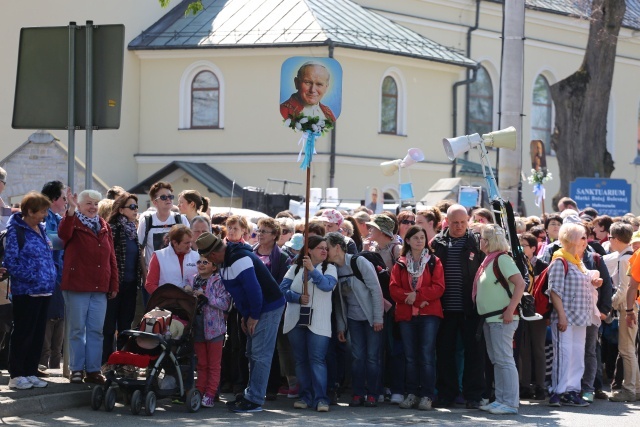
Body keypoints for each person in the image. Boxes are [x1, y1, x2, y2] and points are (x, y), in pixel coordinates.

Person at [196, 232, 285, 413]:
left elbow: (254, 290)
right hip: (257, 308)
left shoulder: (239, 258)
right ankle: (250, 394)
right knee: (251, 352)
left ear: (212, 255)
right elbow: (240, 294)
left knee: (260, 354)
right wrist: (246, 316)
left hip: (268, 306)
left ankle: (255, 400)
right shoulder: (227, 260)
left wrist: (253, 315)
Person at [59, 188, 118, 385]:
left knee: (96, 331)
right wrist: (71, 210)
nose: (93, 207)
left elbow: (111, 257)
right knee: (77, 329)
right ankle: (76, 369)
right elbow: (63, 234)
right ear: (80, 205)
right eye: (88, 203)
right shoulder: (72, 221)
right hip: (77, 285)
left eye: (95, 204)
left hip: (100, 287)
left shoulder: (104, 226)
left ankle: (93, 370)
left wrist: (113, 283)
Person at [430, 204, 485, 409]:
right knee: (445, 353)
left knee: (474, 353)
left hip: (470, 308)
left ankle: (473, 396)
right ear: (447, 222)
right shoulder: (437, 243)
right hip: (444, 308)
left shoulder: (477, 242)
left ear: (468, 221)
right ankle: (446, 394)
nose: (459, 226)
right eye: (455, 223)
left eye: (463, 222)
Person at [3, 192, 57, 390]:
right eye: (42, 211)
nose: (45, 215)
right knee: (23, 333)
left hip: (44, 290)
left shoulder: (41, 229)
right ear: (30, 211)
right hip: (26, 291)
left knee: (37, 334)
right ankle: (16, 375)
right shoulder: (16, 231)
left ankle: (30, 371)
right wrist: (33, 276)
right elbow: (11, 262)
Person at [389, 226, 445, 411]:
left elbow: (439, 287)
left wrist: (418, 296)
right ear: (408, 241)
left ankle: (427, 395)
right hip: (406, 315)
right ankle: (411, 393)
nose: (419, 241)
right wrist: (410, 298)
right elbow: (393, 288)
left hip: (429, 315)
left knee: (427, 356)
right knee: (410, 357)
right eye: (415, 238)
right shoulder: (400, 263)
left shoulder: (433, 261)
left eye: (422, 237)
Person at [327, 231, 384, 408]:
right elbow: (339, 302)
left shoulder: (359, 262)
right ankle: (358, 394)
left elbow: (376, 290)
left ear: (337, 247)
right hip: (353, 319)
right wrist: (341, 327)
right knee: (357, 357)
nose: (324, 251)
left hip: (370, 318)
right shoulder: (334, 270)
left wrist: (377, 318)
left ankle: (373, 394)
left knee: (372, 357)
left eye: (327, 248)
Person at [547, 223, 601, 407]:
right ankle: (558, 391)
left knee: (577, 354)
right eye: (583, 237)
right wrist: (561, 315)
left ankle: (572, 390)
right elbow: (554, 290)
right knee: (564, 354)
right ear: (571, 240)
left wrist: (593, 281)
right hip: (566, 317)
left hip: (580, 317)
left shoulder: (577, 261)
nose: (586, 241)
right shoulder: (560, 260)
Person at [281, 236, 338, 412]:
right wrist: (297, 298)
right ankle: (305, 396)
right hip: (296, 319)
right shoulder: (295, 268)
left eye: (325, 248)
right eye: (320, 248)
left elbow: (327, 286)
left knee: (317, 360)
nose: (324, 251)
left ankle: (321, 398)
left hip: (319, 320)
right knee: (301, 360)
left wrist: (312, 270)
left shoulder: (330, 268)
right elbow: (282, 290)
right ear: (310, 250)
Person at [474, 225, 526, 415]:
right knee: (498, 359)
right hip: (492, 318)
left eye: (481, 238)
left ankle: (510, 402)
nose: (479, 241)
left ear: (488, 241)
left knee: (503, 359)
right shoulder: (490, 260)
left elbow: (520, 284)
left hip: (502, 317)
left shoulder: (502, 259)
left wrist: (510, 309)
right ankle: (502, 400)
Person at [185, 256, 232, 408]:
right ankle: (199, 390)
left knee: (214, 364)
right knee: (202, 363)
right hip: (197, 326)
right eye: (199, 262)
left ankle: (211, 393)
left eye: (206, 262)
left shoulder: (219, 281)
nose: (201, 264)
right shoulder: (192, 279)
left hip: (215, 328)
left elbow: (225, 303)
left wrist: (206, 298)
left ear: (214, 267)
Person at [102, 193, 142, 364]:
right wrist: (112, 283)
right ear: (120, 210)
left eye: (136, 207)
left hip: (131, 284)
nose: (135, 210)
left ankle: (123, 363)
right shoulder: (113, 229)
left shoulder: (133, 230)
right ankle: (106, 362)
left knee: (126, 326)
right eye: (131, 207)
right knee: (109, 327)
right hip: (115, 285)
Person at [138, 182, 187, 305]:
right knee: (154, 319)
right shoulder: (147, 221)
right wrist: (145, 275)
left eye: (170, 196)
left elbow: (188, 246)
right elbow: (140, 250)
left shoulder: (180, 220)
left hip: (177, 279)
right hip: (154, 279)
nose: (168, 200)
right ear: (155, 202)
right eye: (163, 197)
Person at [607, 222, 639, 402]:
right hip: (632, 305)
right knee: (630, 349)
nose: (609, 241)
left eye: (610, 238)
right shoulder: (631, 254)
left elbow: (623, 289)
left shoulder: (624, 258)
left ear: (616, 239)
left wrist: (607, 306)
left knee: (626, 349)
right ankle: (636, 388)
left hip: (629, 307)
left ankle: (629, 389)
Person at [39, 181, 67, 375]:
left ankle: (55, 366)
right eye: (64, 198)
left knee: (60, 318)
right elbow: (53, 244)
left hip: (60, 276)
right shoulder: (43, 218)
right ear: (54, 199)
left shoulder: (58, 218)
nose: (66, 202)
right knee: (48, 319)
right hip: (46, 277)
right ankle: (42, 363)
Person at [518, 232, 548, 400]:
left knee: (538, 348)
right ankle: (524, 385)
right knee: (524, 350)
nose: (521, 249)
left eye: (524, 246)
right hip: (522, 311)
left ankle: (541, 386)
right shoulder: (516, 264)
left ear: (534, 248)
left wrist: (548, 313)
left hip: (539, 313)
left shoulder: (543, 265)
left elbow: (547, 291)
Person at [144, 224, 199, 294]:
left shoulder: (197, 256)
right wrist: (167, 297)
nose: (190, 245)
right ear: (175, 243)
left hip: (191, 302)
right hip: (167, 303)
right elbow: (150, 285)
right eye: (186, 243)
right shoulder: (158, 256)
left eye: (190, 242)